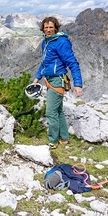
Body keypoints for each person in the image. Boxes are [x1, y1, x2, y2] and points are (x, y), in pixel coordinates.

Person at [33, 16, 83, 149]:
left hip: (57, 80)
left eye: (51, 27)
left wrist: (78, 84)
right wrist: (37, 77)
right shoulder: (46, 42)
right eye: (46, 27)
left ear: (56, 27)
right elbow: (45, 62)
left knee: (50, 112)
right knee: (58, 111)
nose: (48, 30)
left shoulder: (61, 42)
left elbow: (72, 63)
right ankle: (64, 138)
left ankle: (53, 141)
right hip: (49, 80)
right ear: (42, 28)